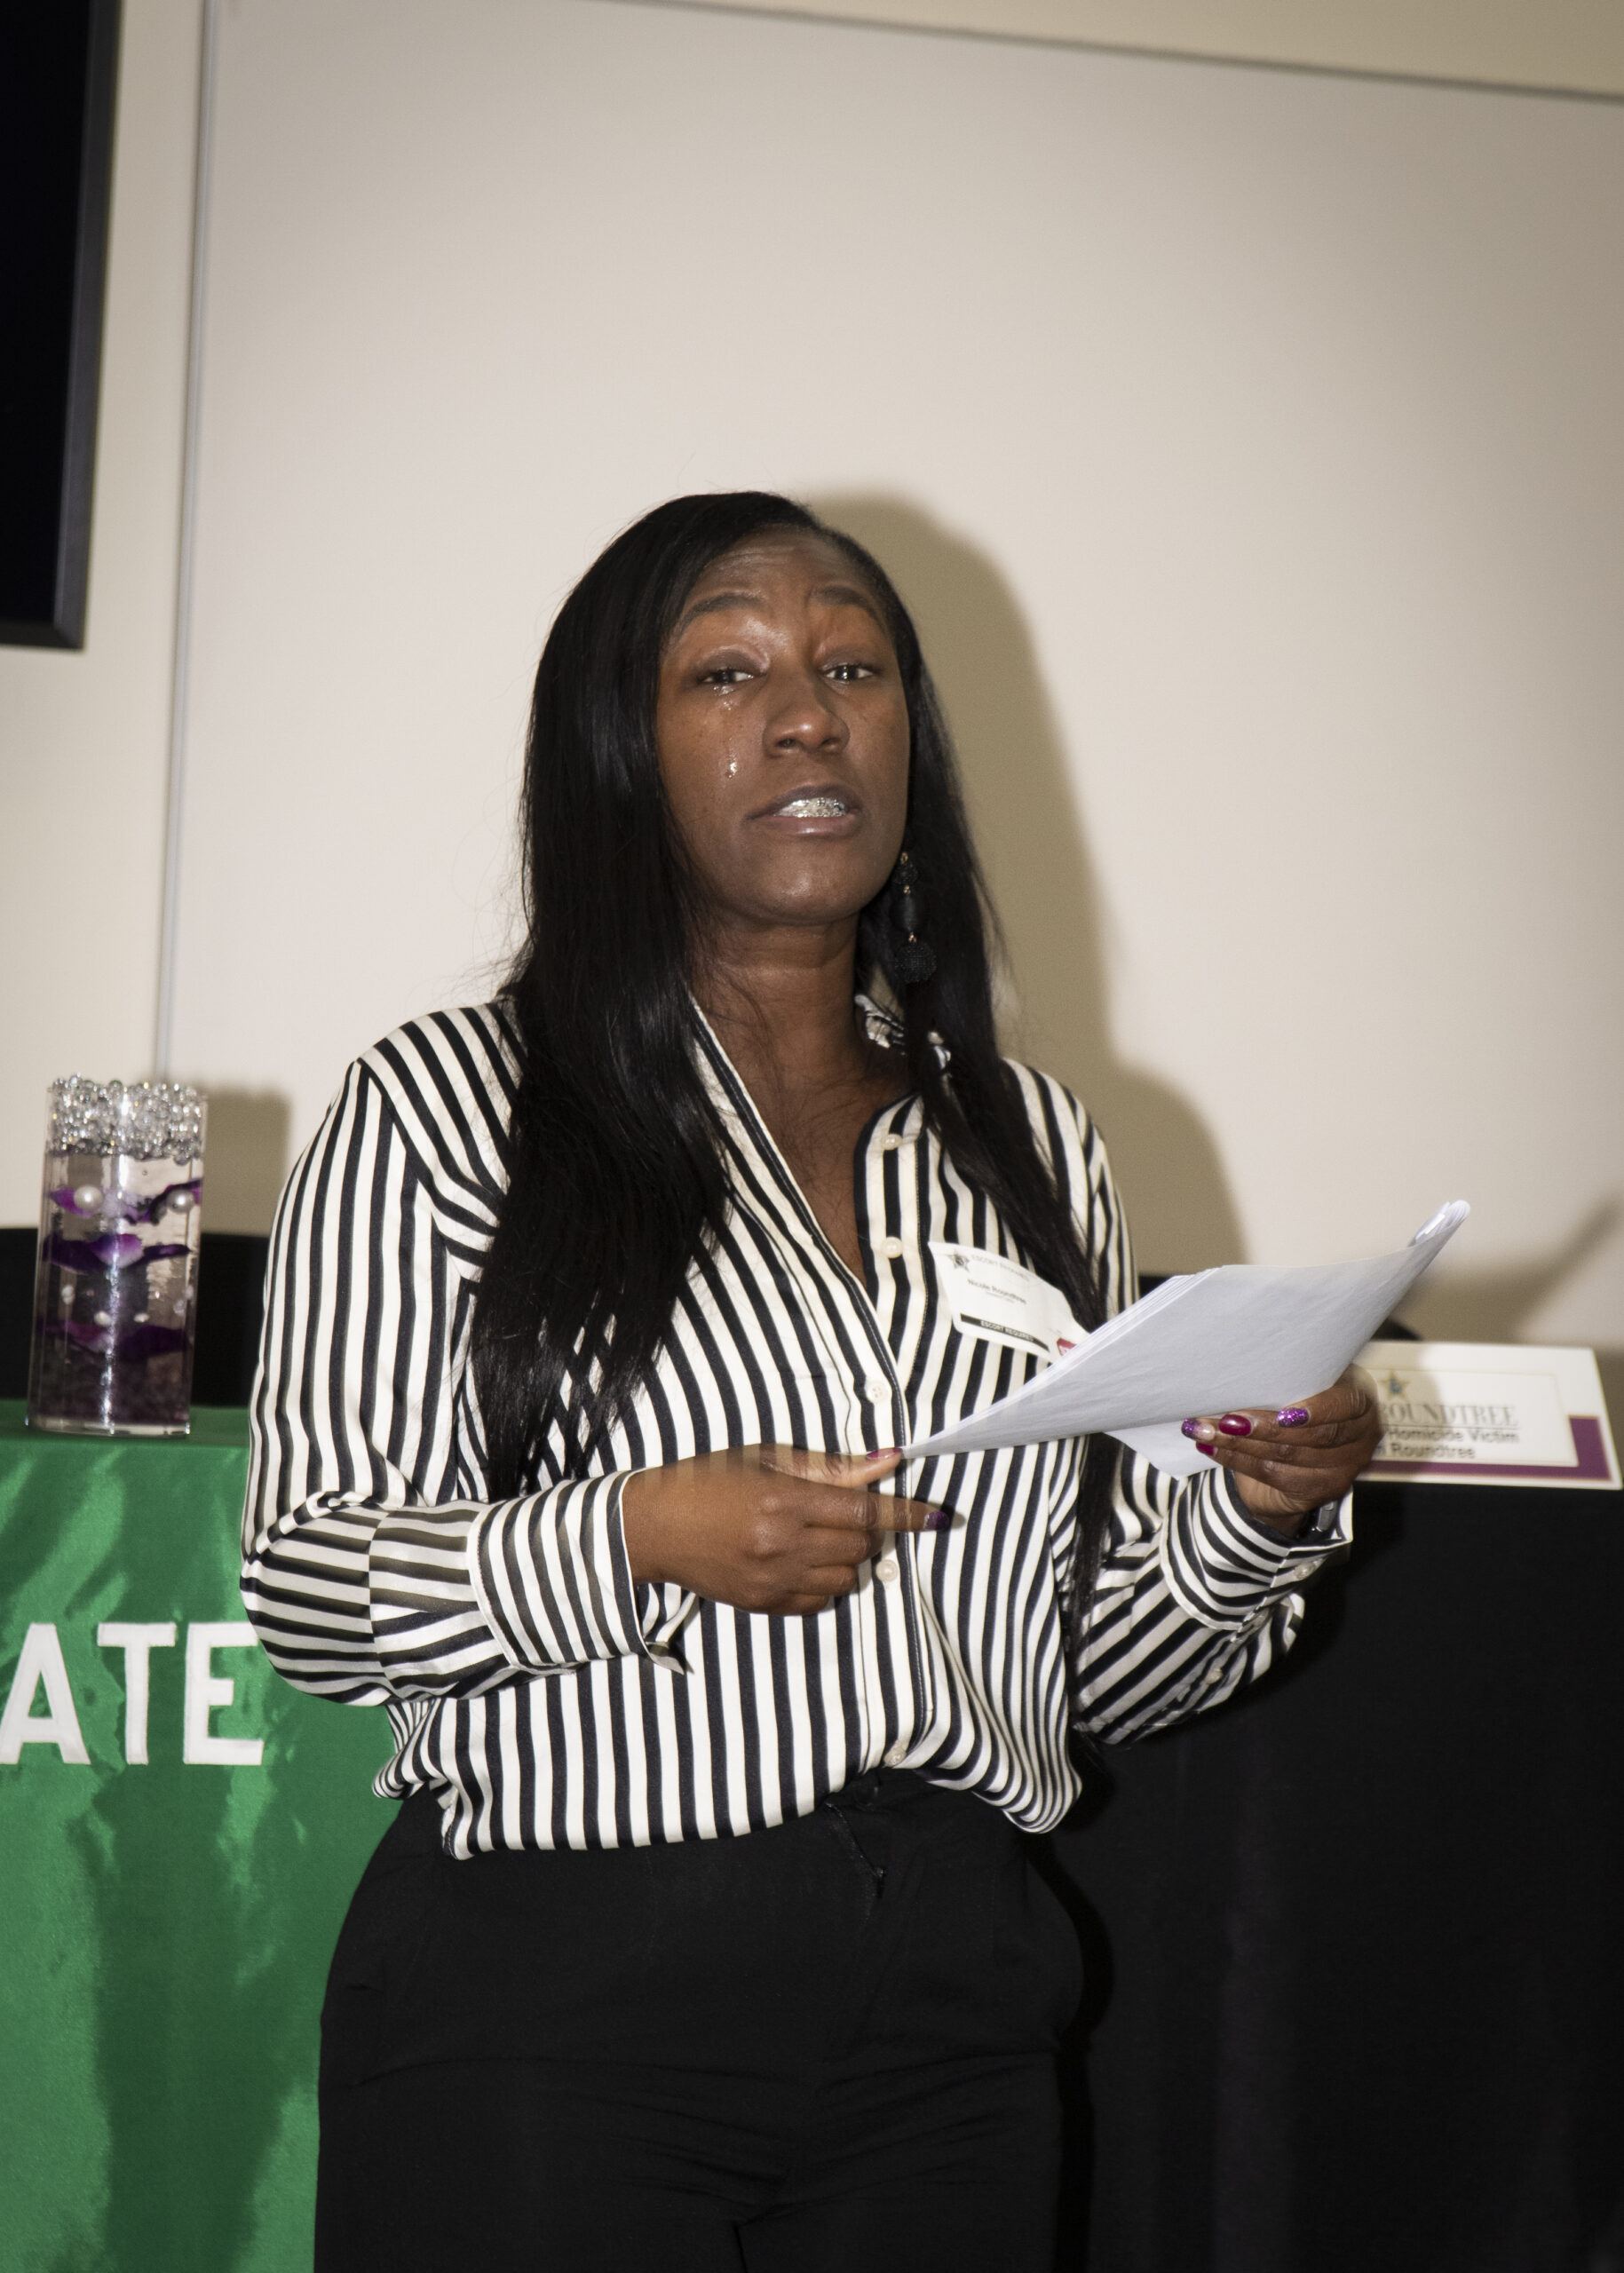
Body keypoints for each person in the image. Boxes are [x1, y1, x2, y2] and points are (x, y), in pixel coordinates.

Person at [242, 491, 1380, 2272]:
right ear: (615, 750)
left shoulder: (1032, 1145)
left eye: (854, 669)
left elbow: (1069, 1669)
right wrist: (634, 1533)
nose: (807, 716)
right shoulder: (450, 1106)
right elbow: (310, 1583)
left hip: (953, 2020)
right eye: (728, 673)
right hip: (562, 1999)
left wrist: (1253, 1514)